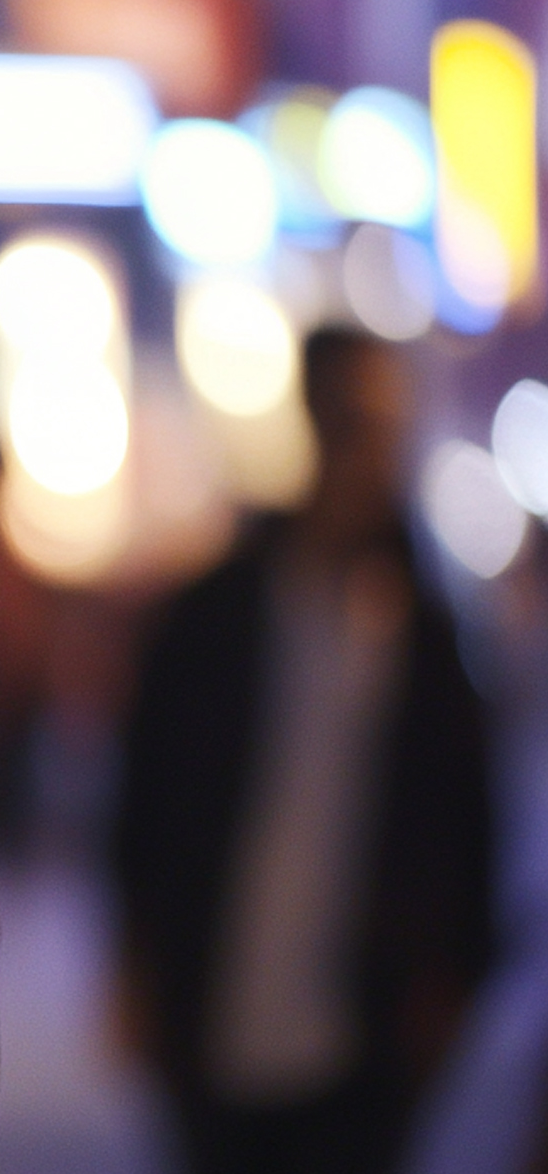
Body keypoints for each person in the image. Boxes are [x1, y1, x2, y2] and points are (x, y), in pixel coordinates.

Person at [115, 327, 498, 1174]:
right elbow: (151, 791)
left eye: (384, 422)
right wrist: (136, 964)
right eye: (351, 418)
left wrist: (450, 981)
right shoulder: (219, 608)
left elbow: (465, 822)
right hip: (219, 981)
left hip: (367, 1007)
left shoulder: (428, 634)